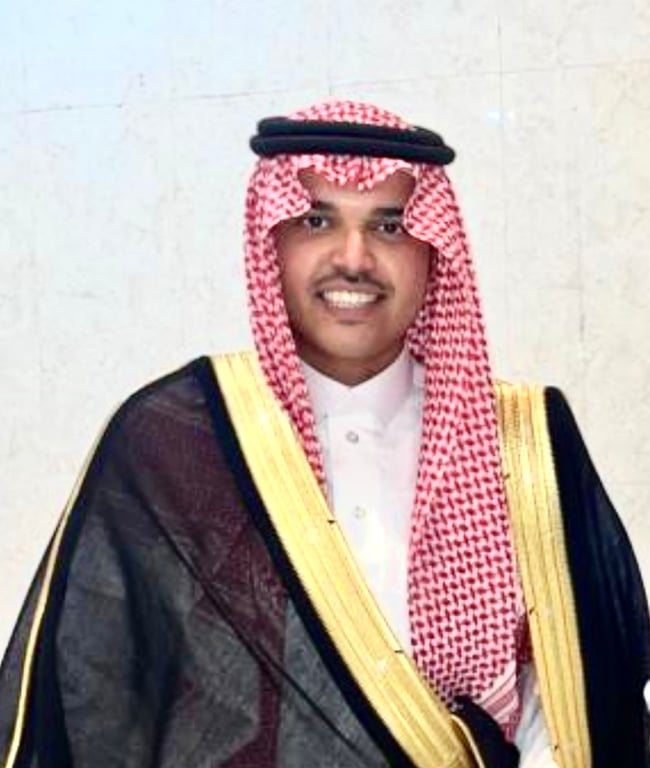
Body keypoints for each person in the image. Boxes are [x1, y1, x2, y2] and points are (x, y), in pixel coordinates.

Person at [0, 100, 648, 768]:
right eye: (316, 221)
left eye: (390, 226)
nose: (354, 258)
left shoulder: (525, 440)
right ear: (272, 244)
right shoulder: (175, 441)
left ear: (433, 251)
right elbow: (92, 691)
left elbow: (578, 692)